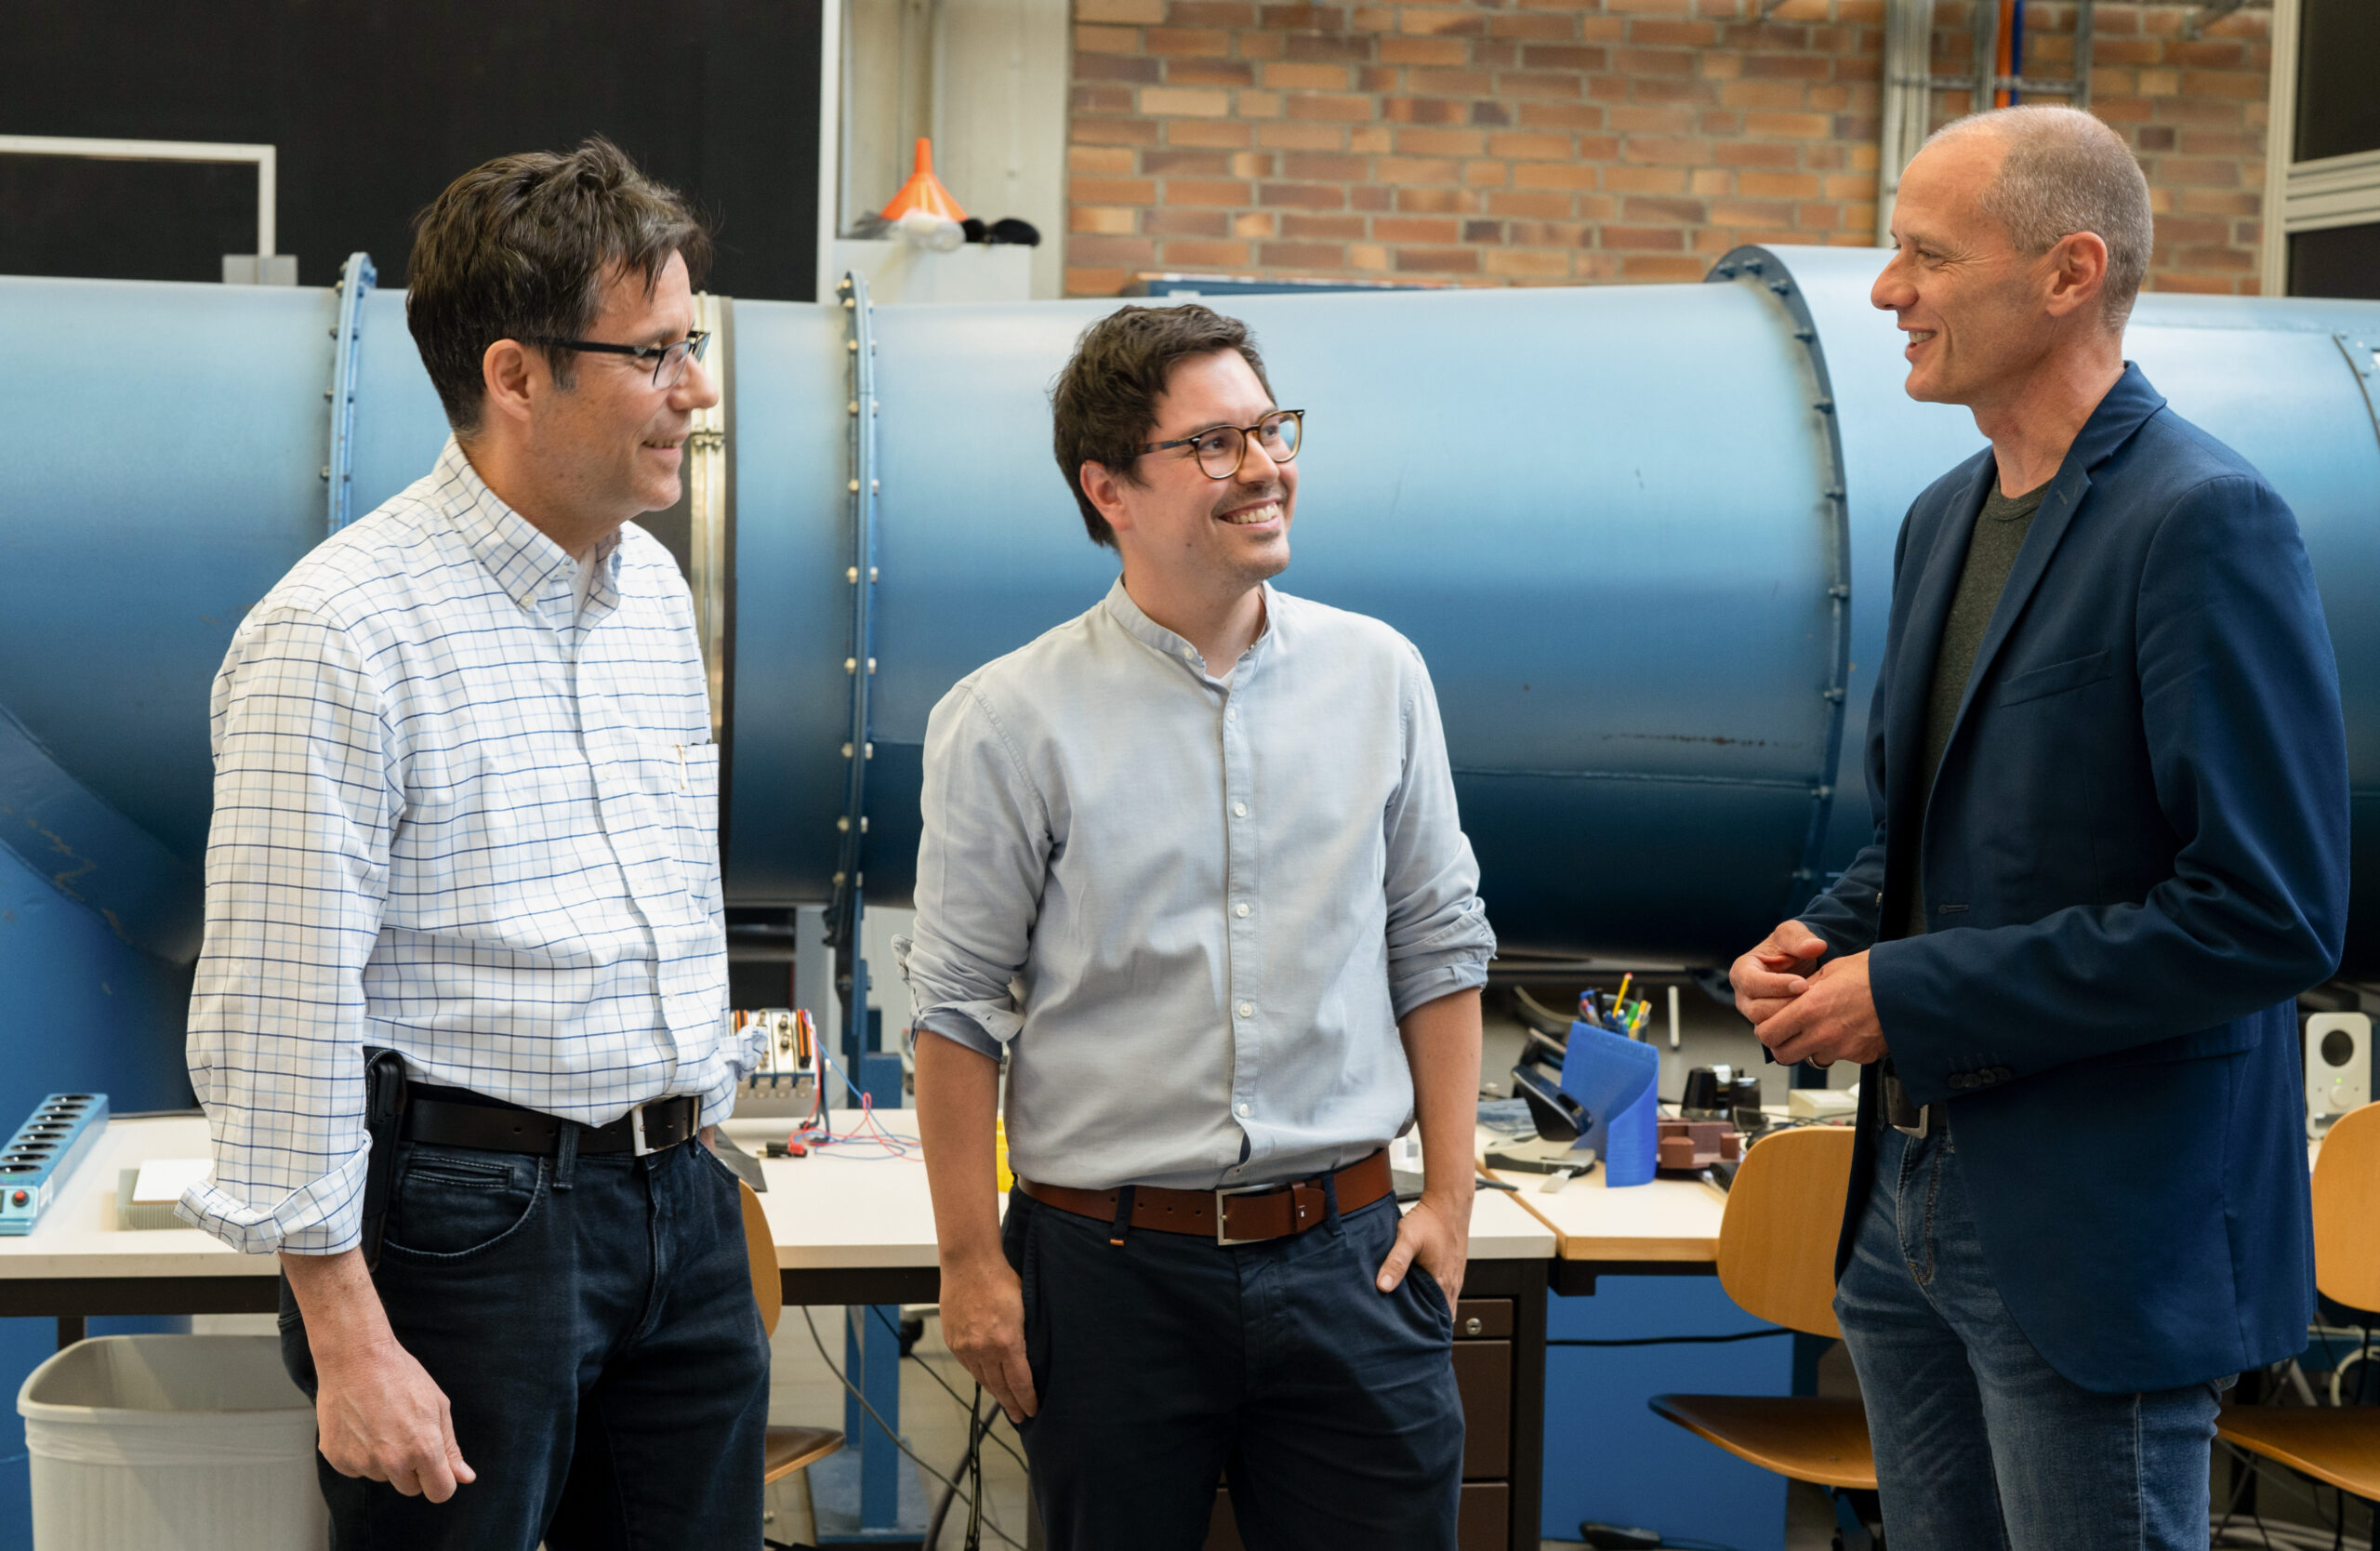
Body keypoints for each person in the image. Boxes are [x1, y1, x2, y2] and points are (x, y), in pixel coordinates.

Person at [1729, 105, 2348, 1547]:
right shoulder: (1945, 516)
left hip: (2096, 1243)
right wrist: (1830, 929)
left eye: (1925, 256)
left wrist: (1909, 989)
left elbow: (2265, 915)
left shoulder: (2205, 521)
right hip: (1909, 1211)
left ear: (2070, 273)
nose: (1886, 292)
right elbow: (1943, 829)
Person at [179, 138, 767, 1548]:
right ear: (514, 375)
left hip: (681, 1202)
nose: (695, 391)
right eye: (656, 355)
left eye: (694, 346)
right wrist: (350, 1342)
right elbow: (282, 1008)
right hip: (472, 1229)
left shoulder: (650, 601)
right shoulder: (340, 633)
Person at [899, 304, 1496, 1550]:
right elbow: (957, 1010)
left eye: (1270, 431)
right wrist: (970, 1263)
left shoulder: (1380, 676)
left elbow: (1436, 944)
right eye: (1216, 445)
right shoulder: (1008, 720)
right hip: (1108, 1277)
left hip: (1353, 1260)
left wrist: (1449, 1195)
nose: (1268, 467)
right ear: (1107, 488)